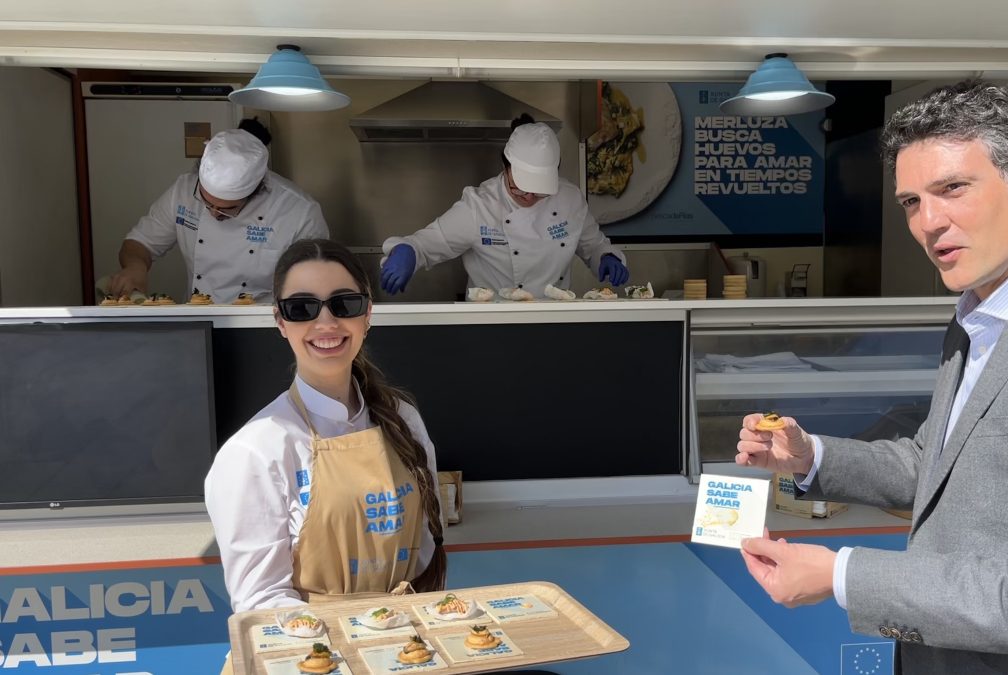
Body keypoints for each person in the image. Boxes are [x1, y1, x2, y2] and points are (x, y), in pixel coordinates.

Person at [735, 80, 1008, 673]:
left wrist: (841, 575)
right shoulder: (978, 311)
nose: (928, 223)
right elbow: (937, 466)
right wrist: (809, 458)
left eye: (952, 189)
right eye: (911, 203)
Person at [205, 238, 446, 617]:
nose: (326, 322)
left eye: (344, 303)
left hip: (406, 643)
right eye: (302, 308)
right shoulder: (255, 452)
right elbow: (260, 604)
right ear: (280, 322)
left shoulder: (404, 419)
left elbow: (424, 547)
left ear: (367, 314)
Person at [379, 114, 629, 297]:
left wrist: (605, 257)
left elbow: (593, 246)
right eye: (518, 188)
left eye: (539, 192)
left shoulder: (570, 200)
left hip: (553, 318)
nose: (529, 198)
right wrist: (407, 251)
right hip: (491, 322)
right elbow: (425, 244)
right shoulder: (479, 207)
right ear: (505, 168)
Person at [108, 129, 328, 304]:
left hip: (266, 323)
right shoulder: (183, 191)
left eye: (226, 209)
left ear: (258, 190)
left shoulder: (299, 212)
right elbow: (140, 243)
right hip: (199, 317)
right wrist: (135, 267)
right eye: (206, 202)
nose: (213, 213)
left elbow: (316, 283)